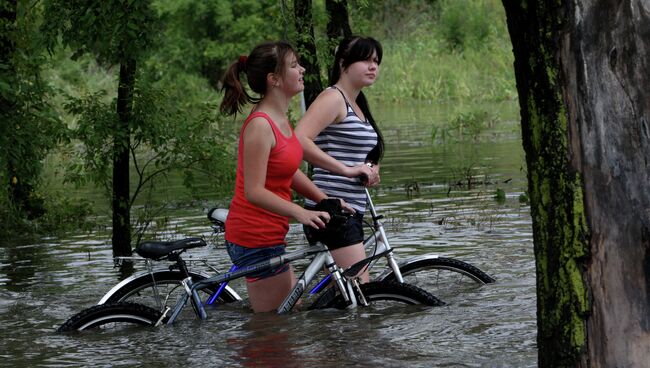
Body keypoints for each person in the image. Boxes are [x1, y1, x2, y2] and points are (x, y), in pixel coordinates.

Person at [220, 41, 344, 313]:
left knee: (290, 314)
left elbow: (288, 170)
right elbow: (254, 190)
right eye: (293, 65)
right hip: (254, 237)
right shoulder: (261, 126)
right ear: (273, 79)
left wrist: (325, 200)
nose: (302, 69)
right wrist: (300, 212)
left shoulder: (280, 117)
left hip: (272, 234)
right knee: (273, 332)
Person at [295, 36, 384, 283]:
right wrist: (346, 170)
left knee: (344, 300)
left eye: (376, 61)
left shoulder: (356, 103)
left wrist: (369, 168)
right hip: (332, 209)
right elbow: (299, 140)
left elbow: (360, 154)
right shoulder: (333, 98)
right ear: (343, 63)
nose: (373, 66)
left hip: (349, 209)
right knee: (360, 297)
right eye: (365, 60)